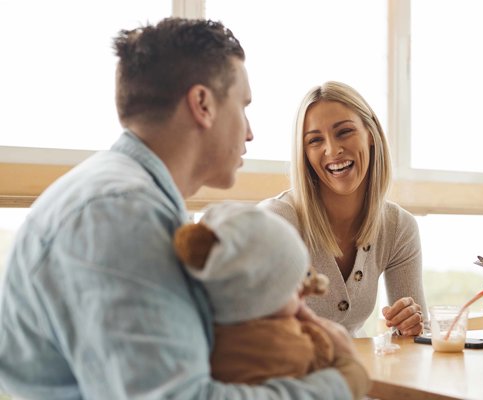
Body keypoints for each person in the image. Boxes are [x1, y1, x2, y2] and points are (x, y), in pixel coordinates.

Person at [0, 19, 365, 399]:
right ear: (203, 104)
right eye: (243, 106)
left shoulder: (122, 196)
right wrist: (340, 383)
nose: (250, 131)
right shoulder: (122, 215)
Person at [259, 81, 426, 337]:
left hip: (348, 370)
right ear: (304, 153)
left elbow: (417, 338)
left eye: (344, 132)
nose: (333, 150)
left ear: (370, 134)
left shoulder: (398, 227)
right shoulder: (276, 222)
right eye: (315, 140)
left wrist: (410, 324)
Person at [173, 202, 369, 400]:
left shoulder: (214, 334)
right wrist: (342, 359)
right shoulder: (280, 344)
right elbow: (319, 360)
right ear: (264, 298)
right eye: (294, 288)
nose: (303, 295)